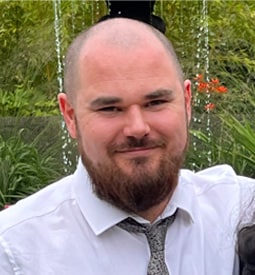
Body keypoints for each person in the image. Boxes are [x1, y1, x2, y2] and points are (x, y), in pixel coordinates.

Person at [0, 18, 254, 275]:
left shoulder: (240, 210)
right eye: (110, 108)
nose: (137, 128)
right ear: (69, 116)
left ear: (187, 102)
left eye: (155, 102)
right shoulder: (14, 251)